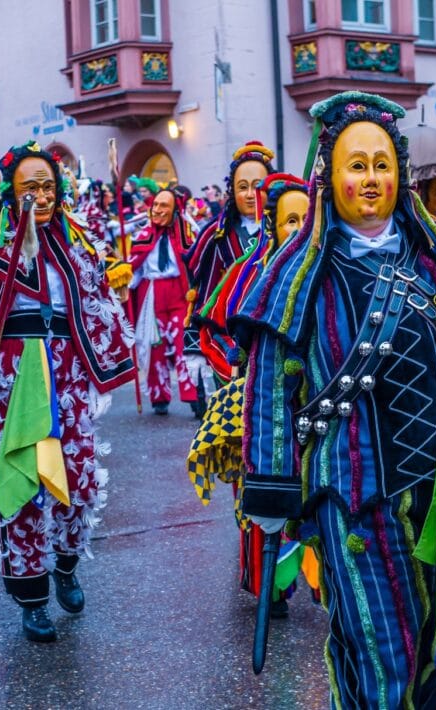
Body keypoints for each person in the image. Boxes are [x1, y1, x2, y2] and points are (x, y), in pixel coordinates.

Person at [232, 91, 436, 707]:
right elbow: (269, 388)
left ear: (400, 176)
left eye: (382, 165)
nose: (371, 179)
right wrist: (267, 486)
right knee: (379, 651)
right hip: (353, 497)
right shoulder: (297, 271)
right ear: (330, 176)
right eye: (357, 165)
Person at [0, 141, 135, 643]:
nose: (40, 196)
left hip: (70, 373)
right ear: (11, 193)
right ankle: (31, 599)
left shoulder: (79, 241)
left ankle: (66, 564)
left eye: (48, 186)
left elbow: (99, 304)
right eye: (30, 188)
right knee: (25, 486)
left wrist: (102, 370)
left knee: (79, 481)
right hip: (15, 376)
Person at [187, 172, 318, 616]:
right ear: (272, 224)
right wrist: (239, 371)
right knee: (263, 487)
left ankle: (326, 582)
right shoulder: (248, 272)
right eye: (289, 221)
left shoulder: (331, 270)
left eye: (305, 219)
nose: (298, 229)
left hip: (316, 402)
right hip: (261, 402)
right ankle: (270, 585)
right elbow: (215, 329)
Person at [185, 141, 275, 416]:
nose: (250, 194)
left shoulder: (285, 226)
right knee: (232, 416)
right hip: (228, 337)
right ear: (232, 191)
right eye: (242, 187)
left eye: (257, 186)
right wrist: (194, 342)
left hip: (273, 333)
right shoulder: (217, 235)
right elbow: (202, 291)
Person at [128, 186, 196, 415]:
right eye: (155, 204)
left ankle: (194, 395)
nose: (157, 210)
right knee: (155, 345)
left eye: (163, 205)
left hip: (179, 292)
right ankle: (159, 397)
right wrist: (124, 280)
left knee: (184, 344)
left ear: (175, 210)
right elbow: (135, 267)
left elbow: (195, 262)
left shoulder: (186, 233)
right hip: (152, 293)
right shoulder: (142, 234)